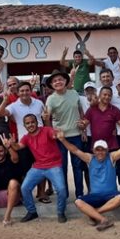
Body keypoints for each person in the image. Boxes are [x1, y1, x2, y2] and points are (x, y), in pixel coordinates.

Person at [57, 128, 120, 231]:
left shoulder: (111, 157)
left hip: (111, 195)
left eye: (102, 150)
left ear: (106, 150)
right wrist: (62, 139)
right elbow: (75, 150)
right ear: (93, 150)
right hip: (95, 196)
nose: (100, 152)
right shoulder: (89, 158)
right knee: (78, 202)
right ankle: (103, 220)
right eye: (98, 149)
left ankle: (94, 213)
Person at [17, 114, 69, 223]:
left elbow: (54, 135)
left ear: (37, 122)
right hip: (38, 166)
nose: (30, 124)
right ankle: (32, 212)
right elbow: (18, 147)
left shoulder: (46, 130)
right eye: (27, 123)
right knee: (24, 188)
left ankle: (61, 212)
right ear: (24, 125)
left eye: (32, 122)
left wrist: (58, 135)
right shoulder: (26, 137)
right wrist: (10, 144)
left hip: (54, 165)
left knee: (61, 189)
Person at [44, 70, 86, 199]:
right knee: (61, 167)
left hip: (76, 136)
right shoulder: (50, 99)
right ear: (52, 84)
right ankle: (64, 194)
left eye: (60, 79)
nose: (58, 82)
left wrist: (83, 129)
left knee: (78, 166)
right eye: (55, 81)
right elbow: (47, 119)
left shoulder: (74, 93)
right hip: (60, 138)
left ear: (65, 81)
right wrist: (52, 134)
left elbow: (80, 111)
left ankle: (79, 194)